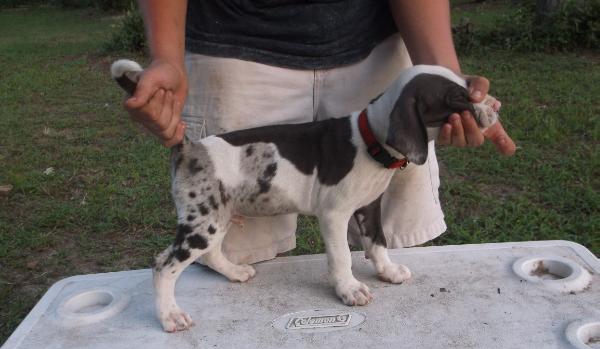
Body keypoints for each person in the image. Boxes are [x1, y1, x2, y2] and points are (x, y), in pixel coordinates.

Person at [124, 0, 516, 265]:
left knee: (398, 255)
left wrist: (442, 76)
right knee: (234, 258)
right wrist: (166, 56)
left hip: (376, 57)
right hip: (234, 52)